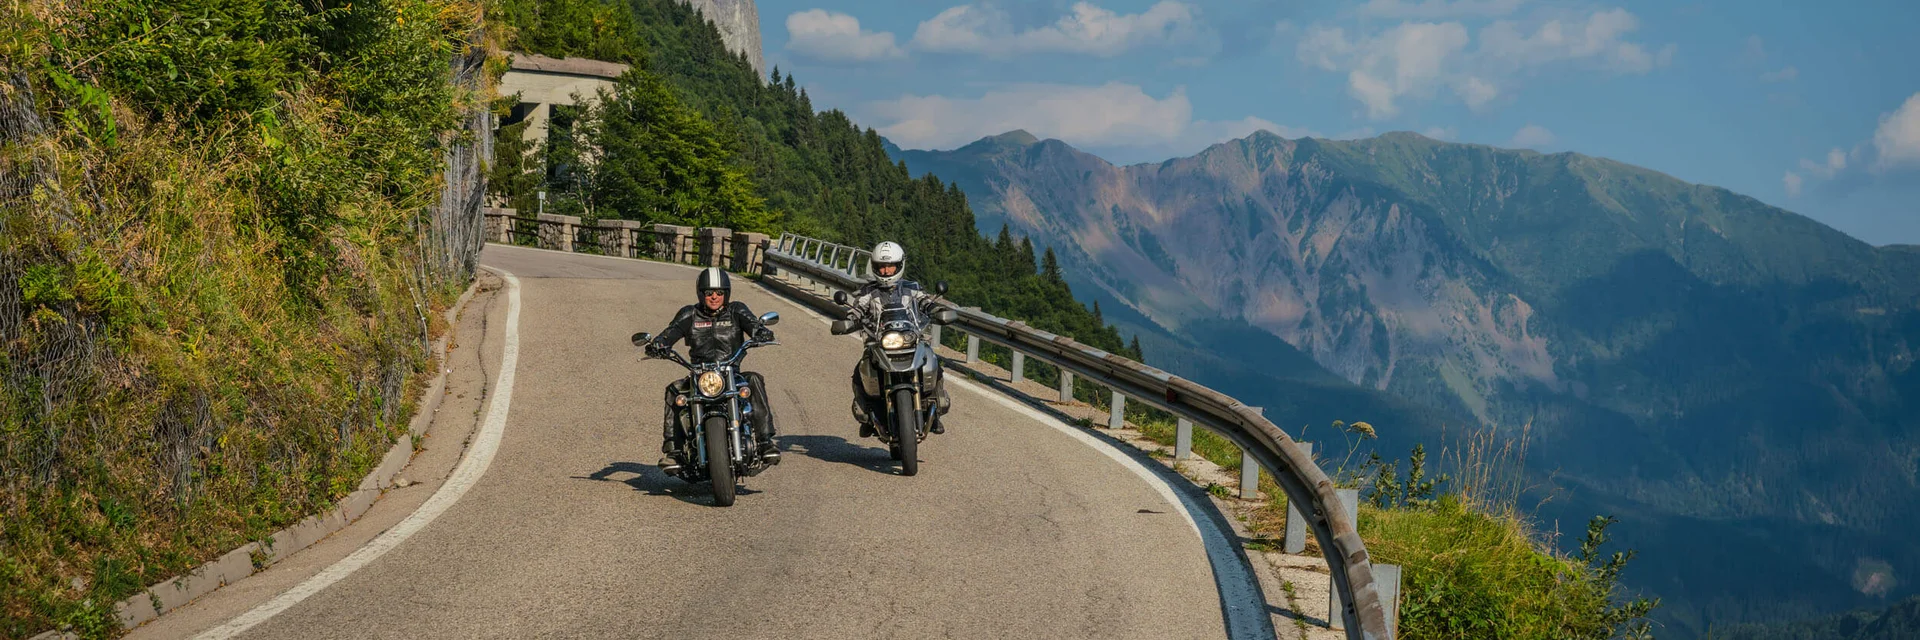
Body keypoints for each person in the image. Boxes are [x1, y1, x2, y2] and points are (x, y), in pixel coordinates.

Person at [647, 267, 777, 468]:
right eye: (709, 293)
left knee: (753, 379)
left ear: (727, 294)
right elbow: (669, 333)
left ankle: (764, 442)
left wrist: (762, 332)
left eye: (719, 293)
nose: (714, 297)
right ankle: (674, 451)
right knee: (675, 390)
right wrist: (658, 345)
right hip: (700, 375)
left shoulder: (736, 311)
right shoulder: (690, 314)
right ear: (701, 294)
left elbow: (753, 325)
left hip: (731, 373)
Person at [846, 241, 951, 437]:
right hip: (879, 344)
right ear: (875, 267)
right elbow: (857, 308)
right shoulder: (867, 292)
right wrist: (850, 319)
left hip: (910, 339)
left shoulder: (912, 288)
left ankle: (935, 413)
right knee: (859, 372)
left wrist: (935, 310)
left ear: (900, 265)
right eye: (881, 267)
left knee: (934, 364)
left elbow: (925, 301)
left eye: (890, 266)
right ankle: (869, 415)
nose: (886, 271)